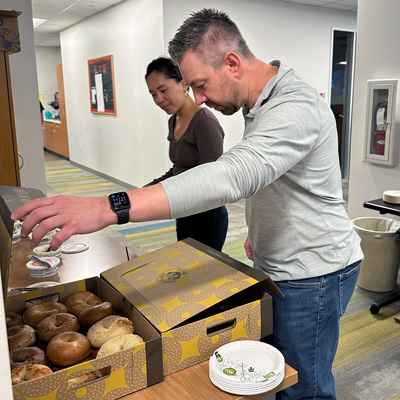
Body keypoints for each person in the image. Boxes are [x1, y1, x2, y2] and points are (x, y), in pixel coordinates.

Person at [13, 9, 363, 399]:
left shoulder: (295, 106)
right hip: (280, 258)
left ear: (232, 62)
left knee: (304, 386)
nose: (197, 98)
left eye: (200, 84)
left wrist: (106, 206)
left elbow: (232, 174)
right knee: (277, 368)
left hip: (314, 272)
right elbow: (281, 180)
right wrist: (261, 230)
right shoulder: (261, 104)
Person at [144, 57, 228, 251]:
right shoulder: (173, 120)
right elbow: (179, 170)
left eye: (163, 90)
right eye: (153, 94)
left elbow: (212, 182)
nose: (159, 100)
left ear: (183, 84)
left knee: (204, 277)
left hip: (207, 218)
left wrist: (164, 197)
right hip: (185, 212)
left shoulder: (204, 123)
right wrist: (143, 193)